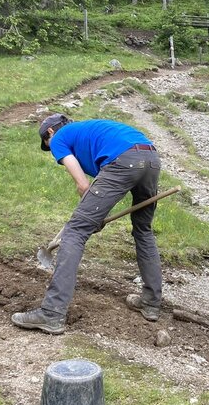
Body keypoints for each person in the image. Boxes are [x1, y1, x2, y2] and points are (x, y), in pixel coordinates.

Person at [11, 113, 164, 334]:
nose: (52, 149)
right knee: (143, 230)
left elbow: (83, 184)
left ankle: (52, 313)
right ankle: (150, 303)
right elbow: (102, 189)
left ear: (50, 132)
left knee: (74, 232)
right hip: (150, 159)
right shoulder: (89, 131)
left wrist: (88, 220)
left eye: (46, 143)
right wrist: (95, 216)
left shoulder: (60, 138)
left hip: (123, 160)